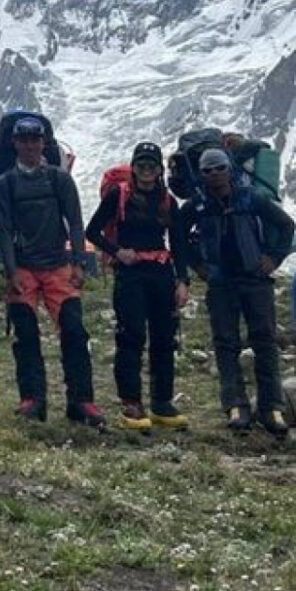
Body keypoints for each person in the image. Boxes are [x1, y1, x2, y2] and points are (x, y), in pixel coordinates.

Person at [0, 116, 106, 428]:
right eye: (24, 140)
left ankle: (81, 401)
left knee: (74, 332)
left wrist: (80, 263)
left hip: (59, 266)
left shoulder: (60, 179)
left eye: (35, 140)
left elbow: (75, 221)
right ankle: (32, 400)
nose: (30, 145)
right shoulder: (5, 183)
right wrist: (11, 270)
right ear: (15, 144)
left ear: (44, 143)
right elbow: (3, 230)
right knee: (26, 336)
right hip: (24, 271)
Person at [181, 147, 295, 437]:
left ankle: (272, 408)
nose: (214, 174)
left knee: (265, 341)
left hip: (254, 279)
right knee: (226, 343)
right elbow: (178, 236)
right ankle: (236, 406)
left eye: (219, 168)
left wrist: (274, 258)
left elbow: (286, 224)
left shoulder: (250, 198)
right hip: (220, 283)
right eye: (208, 170)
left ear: (229, 169)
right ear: (201, 174)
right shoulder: (197, 205)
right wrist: (197, 266)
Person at [85, 142, 190, 430]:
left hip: (160, 273)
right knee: (130, 336)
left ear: (159, 170)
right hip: (130, 275)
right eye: (141, 166)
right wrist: (117, 251)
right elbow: (91, 231)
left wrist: (183, 280)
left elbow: (178, 243)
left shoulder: (168, 201)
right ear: (133, 168)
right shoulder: (117, 196)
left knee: (164, 339)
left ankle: (162, 402)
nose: (146, 171)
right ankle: (131, 402)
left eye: (152, 166)